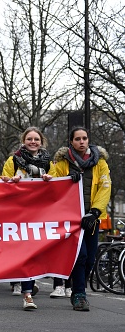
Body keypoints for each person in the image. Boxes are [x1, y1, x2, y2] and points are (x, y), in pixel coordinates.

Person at [49, 126, 111, 311]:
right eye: (78, 139)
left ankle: (78, 288)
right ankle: (79, 295)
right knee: (80, 255)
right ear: (71, 141)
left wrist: (94, 212)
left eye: (84, 138)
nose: (82, 142)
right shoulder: (61, 163)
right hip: (71, 219)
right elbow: (52, 187)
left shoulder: (100, 162)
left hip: (92, 217)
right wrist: (67, 180)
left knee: (90, 259)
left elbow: (105, 188)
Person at [0, 127, 52, 310]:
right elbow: (2, 181)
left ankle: (28, 286)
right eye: (29, 138)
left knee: (33, 253)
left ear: (41, 141)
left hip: (39, 214)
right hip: (18, 213)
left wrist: (50, 180)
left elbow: (57, 184)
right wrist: (10, 181)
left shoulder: (48, 162)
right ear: (24, 140)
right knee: (23, 253)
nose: (33, 142)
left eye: (36, 139)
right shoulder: (13, 160)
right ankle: (27, 293)